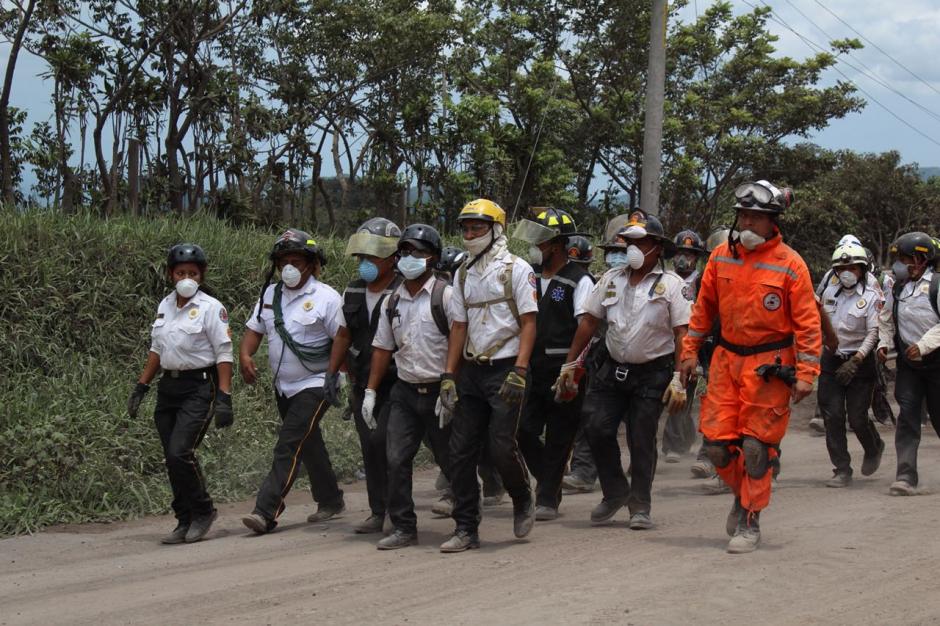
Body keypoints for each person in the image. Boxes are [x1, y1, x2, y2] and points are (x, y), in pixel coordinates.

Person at [679, 180, 821, 554]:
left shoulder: (791, 264)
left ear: (773, 221)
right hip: (726, 362)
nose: (747, 223)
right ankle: (743, 493)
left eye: (756, 217)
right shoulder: (721, 257)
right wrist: (689, 351)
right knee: (716, 449)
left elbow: (808, 322)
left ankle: (749, 519)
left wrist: (807, 373)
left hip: (770, 366)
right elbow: (702, 311)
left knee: (757, 449)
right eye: (743, 215)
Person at [558, 210, 690, 530]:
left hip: (653, 371)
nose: (631, 247)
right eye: (628, 241)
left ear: (656, 247)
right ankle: (615, 490)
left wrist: (680, 378)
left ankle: (640, 504)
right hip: (612, 367)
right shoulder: (610, 279)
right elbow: (589, 321)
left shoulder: (671, 285)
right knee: (595, 425)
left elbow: (682, 334)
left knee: (641, 437)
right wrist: (571, 362)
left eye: (639, 241)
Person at [438, 198, 539, 553]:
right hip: (472, 371)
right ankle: (466, 528)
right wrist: (449, 374)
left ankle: (522, 495)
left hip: (506, 369)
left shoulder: (517, 269)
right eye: (465, 228)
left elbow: (529, 323)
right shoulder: (462, 272)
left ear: (496, 230)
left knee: (500, 445)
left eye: (477, 228)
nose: (469, 234)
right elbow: (459, 327)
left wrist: (520, 370)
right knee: (460, 450)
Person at [240, 229, 345, 534]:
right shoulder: (268, 295)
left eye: (296, 260)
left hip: (315, 383)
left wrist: (340, 378)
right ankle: (331, 499)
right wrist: (246, 355)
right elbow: (254, 329)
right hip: (283, 386)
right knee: (307, 443)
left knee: (289, 444)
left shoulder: (326, 298)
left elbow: (341, 339)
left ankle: (266, 510)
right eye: (284, 260)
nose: (289, 267)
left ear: (311, 264)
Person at [128, 243, 233, 544]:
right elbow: (157, 350)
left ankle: (203, 511)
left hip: (199, 387)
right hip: (168, 389)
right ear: (170, 274)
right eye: (181, 272)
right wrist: (141, 386)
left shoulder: (212, 308)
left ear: (201, 276)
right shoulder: (165, 305)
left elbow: (224, 354)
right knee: (170, 458)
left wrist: (224, 397)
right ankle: (184, 518)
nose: (186, 277)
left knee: (180, 452)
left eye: (193, 273)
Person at [365, 224, 454, 549]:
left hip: (438, 390)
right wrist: (371, 391)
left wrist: (450, 381)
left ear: (432, 258)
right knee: (396, 458)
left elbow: (460, 340)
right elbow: (382, 348)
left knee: (451, 458)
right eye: (404, 252)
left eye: (417, 253)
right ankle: (404, 526)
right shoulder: (392, 302)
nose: (409, 259)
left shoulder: (446, 295)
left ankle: (466, 524)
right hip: (404, 390)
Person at [513, 208, 595, 521]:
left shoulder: (579, 280)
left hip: (564, 369)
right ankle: (549, 477)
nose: (535, 247)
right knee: (522, 430)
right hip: (532, 367)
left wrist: (572, 368)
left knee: (561, 434)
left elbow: (586, 327)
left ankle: (547, 496)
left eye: (540, 242)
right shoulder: (530, 276)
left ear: (556, 245)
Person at [324, 218, 403, 534]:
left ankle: (401, 513)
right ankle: (377, 511)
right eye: (362, 257)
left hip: (397, 382)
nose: (365, 264)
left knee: (390, 445)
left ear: (393, 257)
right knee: (370, 448)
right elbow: (343, 335)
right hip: (361, 380)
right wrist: (332, 373)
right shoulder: (354, 289)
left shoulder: (402, 290)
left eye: (373, 256)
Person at [818, 242, 885, 487]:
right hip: (832, 359)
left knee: (857, 417)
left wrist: (856, 360)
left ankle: (874, 446)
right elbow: (821, 323)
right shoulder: (828, 293)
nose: (847, 271)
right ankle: (842, 469)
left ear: (861, 269)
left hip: (860, 361)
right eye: (841, 267)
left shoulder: (871, 296)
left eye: (852, 267)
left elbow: (873, 332)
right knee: (832, 415)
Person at [878, 232, 940, 496]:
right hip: (909, 365)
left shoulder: (937, 285)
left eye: (904, 259)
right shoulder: (897, 287)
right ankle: (905, 475)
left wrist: (923, 346)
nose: (899, 264)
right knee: (908, 416)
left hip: (937, 362)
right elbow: (885, 318)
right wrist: (884, 343)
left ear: (921, 259)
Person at [662, 229, 707, 463]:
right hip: (668, 343)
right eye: (680, 253)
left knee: (683, 393)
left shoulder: (704, 281)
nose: (683, 258)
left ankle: (673, 444)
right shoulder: (665, 279)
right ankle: (684, 438)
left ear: (697, 257)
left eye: (689, 254)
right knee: (675, 393)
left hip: (696, 344)